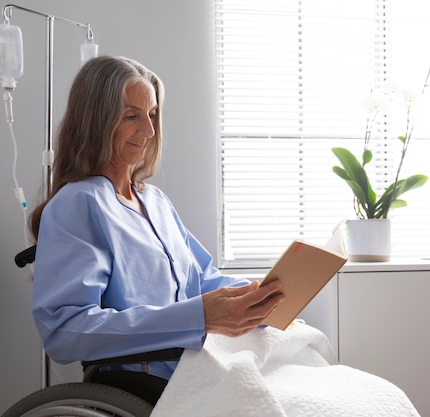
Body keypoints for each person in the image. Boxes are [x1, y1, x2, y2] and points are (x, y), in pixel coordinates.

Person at [30, 55, 285, 385]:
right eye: (132, 116)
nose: (149, 130)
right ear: (96, 122)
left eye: (152, 114)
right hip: (154, 383)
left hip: (200, 367)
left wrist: (262, 296)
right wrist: (197, 317)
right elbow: (65, 332)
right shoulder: (78, 205)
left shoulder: (155, 202)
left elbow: (202, 280)